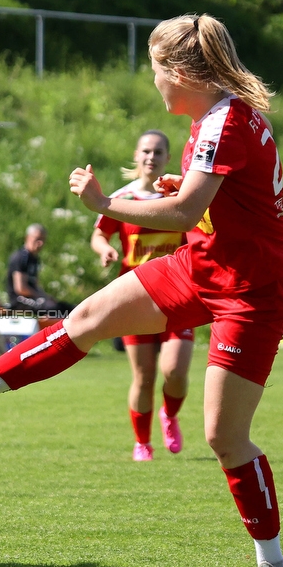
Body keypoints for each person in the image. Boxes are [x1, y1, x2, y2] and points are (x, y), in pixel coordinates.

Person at [0, 14, 283, 567]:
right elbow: (214, 205)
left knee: (223, 436)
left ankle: (273, 566)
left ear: (179, 71)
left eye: (154, 71)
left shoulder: (224, 121)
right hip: (203, 265)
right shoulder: (215, 116)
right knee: (88, 317)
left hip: (253, 290)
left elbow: (179, 214)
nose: (153, 84)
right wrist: (183, 197)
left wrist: (106, 203)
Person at [91, 129, 194, 461]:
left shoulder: (181, 196)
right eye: (146, 151)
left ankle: (170, 415)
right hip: (137, 299)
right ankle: (142, 443)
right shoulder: (122, 197)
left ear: (168, 157)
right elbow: (99, 234)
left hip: (180, 295)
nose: (152, 157)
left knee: (175, 371)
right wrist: (104, 248)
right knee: (144, 374)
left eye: (159, 152)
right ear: (137, 157)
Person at [5, 223, 73, 318]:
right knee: (53, 309)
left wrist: (46, 296)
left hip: (33, 297)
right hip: (19, 299)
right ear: (27, 238)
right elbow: (21, 288)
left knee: (66, 307)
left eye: (43, 240)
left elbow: (35, 283)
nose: (40, 243)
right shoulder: (20, 257)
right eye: (37, 239)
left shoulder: (34, 259)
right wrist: (41, 296)